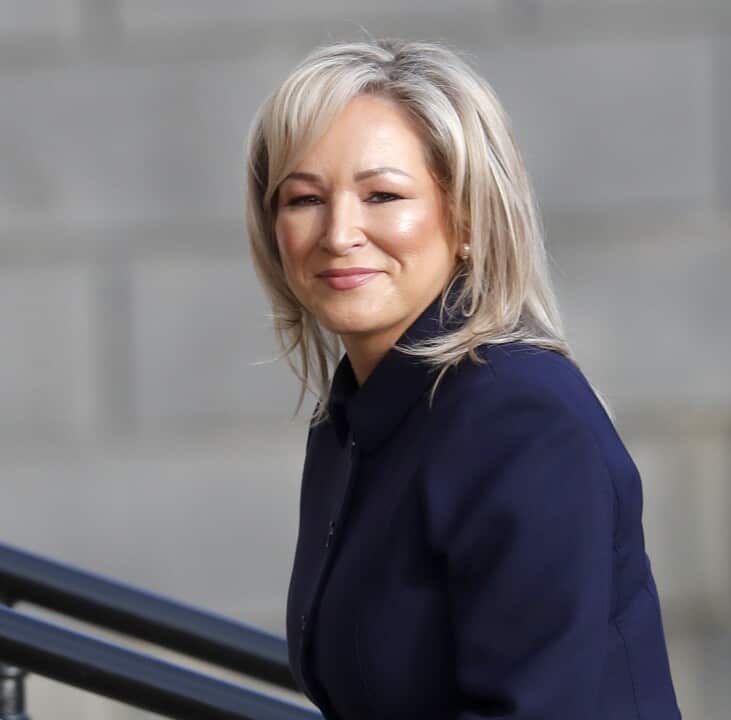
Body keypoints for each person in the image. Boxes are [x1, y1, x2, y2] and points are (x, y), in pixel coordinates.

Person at [244, 37, 681, 720]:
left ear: (468, 219)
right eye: (303, 200)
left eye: (382, 194)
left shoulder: (520, 417)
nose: (339, 233)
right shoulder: (356, 421)